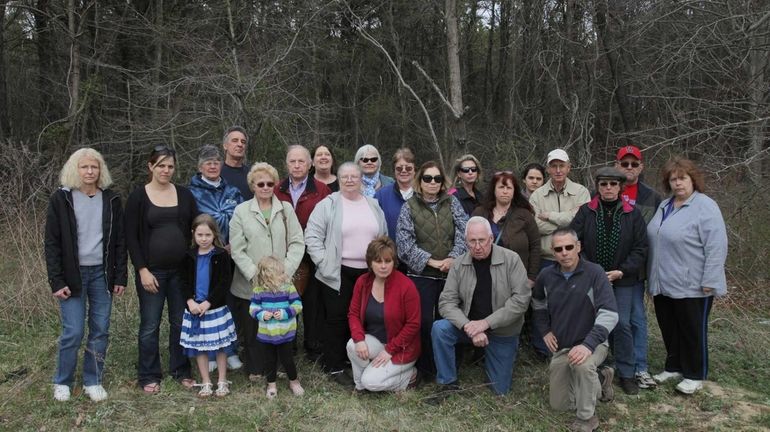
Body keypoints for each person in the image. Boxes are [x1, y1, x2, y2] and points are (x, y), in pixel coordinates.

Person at [45, 148, 127, 402]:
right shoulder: (62, 199)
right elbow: (52, 243)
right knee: (74, 331)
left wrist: (120, 277)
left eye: (94, 167)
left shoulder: (111, 200)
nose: (90, 172)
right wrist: (56, 280)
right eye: (84, 167)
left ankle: (93, 380)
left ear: (100, 170)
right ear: (75, 170)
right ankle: (63, 381)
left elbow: (120, 242)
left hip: (102, 274)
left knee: (100, 329)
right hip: (72, 275)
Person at [647, 158, 727, 395]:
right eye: (673, 179)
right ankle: (674, 367)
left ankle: (694, 373)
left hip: (693, 283)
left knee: (692, 329)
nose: (678, 184)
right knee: (670, 327)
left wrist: (710, 280)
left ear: (693, 180)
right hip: (663, 282)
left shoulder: (705, 206)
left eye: (683, 178)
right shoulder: (665, 205)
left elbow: (716, 245)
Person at [428, 217, 531, 402]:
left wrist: (485, 324)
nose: (477, 246)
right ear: (466, 241)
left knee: (499, 390)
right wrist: (468, 326)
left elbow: (521, 301)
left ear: (491, 238)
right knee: (440, 328)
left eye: (482, 240)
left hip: (502, 332)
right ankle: (447, 382)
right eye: (472, 241)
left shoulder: (512, 259)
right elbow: (446, 302)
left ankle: (492, 358)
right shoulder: (459, 264)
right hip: (469, 328)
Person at [305, 162, 388, 387]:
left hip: (368, 272)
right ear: (338, 180)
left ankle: (357, 361)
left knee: (364, 317)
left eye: (354, 176)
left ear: (361, 179)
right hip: (337, 272)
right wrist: (323, 262)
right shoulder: (328, 205)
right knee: (337, 318)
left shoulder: (372, 204)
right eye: (345, 177)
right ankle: (334, 365)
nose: (350, 180)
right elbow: (312, 236)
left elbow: (383, 236)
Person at [126, 145, 199, 394]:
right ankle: (148, 374)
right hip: (152, 273)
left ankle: (181, 369)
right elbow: (131, 238)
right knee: (150, 325)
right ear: (151, 166)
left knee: (180, 322)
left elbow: (197, 225)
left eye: (170, 166)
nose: (166, 170)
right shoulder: (138, 197)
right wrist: (142, 270)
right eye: (161, 166)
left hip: (180, 271)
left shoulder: (185, 194)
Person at [569, 167, 648, 395]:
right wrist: (588, 268)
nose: (608, 188)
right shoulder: (587, 211)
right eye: (604, 184)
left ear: (620, 187)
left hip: (622, 279)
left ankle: (627, 373)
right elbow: (575, 240)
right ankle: (595, 366)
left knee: (621, 323)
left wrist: (621, 271)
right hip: (591, 277)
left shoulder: (632, 214)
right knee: (590, 323)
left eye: (613, 184)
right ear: (598, 186)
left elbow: (641, 248)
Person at [532, 228, 618, 432]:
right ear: (553, 252)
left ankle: (587, 418)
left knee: (582, 366)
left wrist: (588, 345)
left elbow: (610, 314)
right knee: (560, 405)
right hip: (563, 345)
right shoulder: (546, 276)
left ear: (578, 247)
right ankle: (601, 378)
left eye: (569, 247)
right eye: (559, 249)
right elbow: (537, 303)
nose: (564, 252)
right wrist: (545, 330)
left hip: (593, 343)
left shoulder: (595, 272)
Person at [229, 162, 305, 381]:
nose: (265, 187)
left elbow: (298, 242)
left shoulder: (286, 209)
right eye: (260, 183)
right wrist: (256, 275)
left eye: (269, 183)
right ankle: (256, 367)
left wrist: (285, 273)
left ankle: (283, 366)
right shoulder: (241, 211)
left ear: (275, 185)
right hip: (250, 283)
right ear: (252, 185)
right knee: (254, 327)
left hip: (282, 284)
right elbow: (237, 248)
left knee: (283, 324)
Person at [396, 161, 468, 379]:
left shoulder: (452, 202)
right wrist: (432, 262)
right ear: (420, 180)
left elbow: (464, 232)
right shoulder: (409, 206)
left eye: (437, 178)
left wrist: (453, 258)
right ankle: (427, 368)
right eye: (428, 178)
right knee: (424, 322)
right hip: (421, 275)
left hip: (451, 274)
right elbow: (404, 243)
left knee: (450, 320)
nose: (433, 182)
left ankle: (451, 364)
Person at [528, 148, 590, 358]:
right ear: (548, 169)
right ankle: (543, 348)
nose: (557, 170)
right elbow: (534, 226)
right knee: (545, 304)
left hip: (573, 260)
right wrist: (566, 221)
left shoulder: (581, 192)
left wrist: (550, 216)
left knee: (573, 304)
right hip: (546, 259)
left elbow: (581, 221)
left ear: (569, 167)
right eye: (553, 166)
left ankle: (572, 344)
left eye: (561, 165)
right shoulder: (537, 195)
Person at [188, 144, 244, 372]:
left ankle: (229, 350)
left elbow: (242, 220)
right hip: (203, 256)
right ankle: (209, 353)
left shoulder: (232, 191)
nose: (213, 165)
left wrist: (234, 244)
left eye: (216, 161)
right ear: (200, 166)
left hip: (229, 256)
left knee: (227, 304)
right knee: (207, 302)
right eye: (208, 162)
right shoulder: (191, 192)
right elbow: (187, 225)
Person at [274, 145, 332, 359]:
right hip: (285, 253)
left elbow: (329, 221)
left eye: (301, 161)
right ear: (287, 164)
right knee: (287, 296)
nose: (297, 165)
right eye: (292, 161)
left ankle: (313, 345)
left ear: (310, 164)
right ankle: (288, 344)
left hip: (312, 253)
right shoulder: (277, 189)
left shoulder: (321, 190)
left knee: (312, 300)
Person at [614, 145, 662, 389]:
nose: (629, 168)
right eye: (625, 163)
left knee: (635, 318)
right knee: (612, 317)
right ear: (617, 165)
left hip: (635, 270)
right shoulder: (605, 188)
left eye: (634, 164)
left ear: (641, 167)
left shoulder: (652, 197)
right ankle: (615, 362)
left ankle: (640, 367)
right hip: (606, 270)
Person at [346, 236, 420, 392]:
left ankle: (410, 376)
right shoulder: (363, 282)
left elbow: (413, 324)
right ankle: (360, 387)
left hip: (401, 348)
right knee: (352, 345)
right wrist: (359, 339)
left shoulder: (406, 286)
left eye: (388, 261)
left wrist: (390, 350)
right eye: (378, 261)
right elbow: (353, 313)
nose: (383, 266)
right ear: (370, 263)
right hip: (375, 342)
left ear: (394, 262)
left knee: (372, 382)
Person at [179, 214, 237, 398]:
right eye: (200, 235)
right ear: (193, 235)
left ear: (214, 235)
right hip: (195, 309)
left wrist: (208, 301)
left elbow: (223, 282)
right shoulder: (188, 256)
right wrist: (189, 301)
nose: (203, 239)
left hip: (215, 309)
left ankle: (221, 380)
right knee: (200, 347)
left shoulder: (220, 255)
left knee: (220, 346)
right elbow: (183, 281)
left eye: (208, 235)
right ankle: (205, 381)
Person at [249, 256, 305, 398]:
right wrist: (261, 314)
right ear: (267, 276)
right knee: (269, 360)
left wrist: (285, 313)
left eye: (282, 272)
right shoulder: (258, 290)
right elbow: (253, 307)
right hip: (267, 333)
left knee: (287, 359)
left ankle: (294, 381)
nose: (283, 275)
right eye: (279, 273)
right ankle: (271, 384)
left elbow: (297, 305)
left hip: (285, 332)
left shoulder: (288, 288)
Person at [472, 170, 541, 282]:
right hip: (484, 275)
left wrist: (532, 277)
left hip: (516, 276)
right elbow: (469, 242)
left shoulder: (524, 215)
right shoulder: (480, 213)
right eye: (501, 187)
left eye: (509, 188)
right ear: (494, 189)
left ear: (514, 191)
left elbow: (535, 246)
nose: (505, 191)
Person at [375, 147, 416, 241]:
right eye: (399, 168)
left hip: (422, 254)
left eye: (409, 168)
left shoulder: (424, 194)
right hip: (391, 253)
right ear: (394, 170)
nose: (404, 171)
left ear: (415, 170)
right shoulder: (381, 196)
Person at [220, 126, 252, 199]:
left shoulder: (252, 175)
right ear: (225, 145)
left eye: (243, 142)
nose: (240, 144)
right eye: (235, 140)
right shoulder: (216, 174)